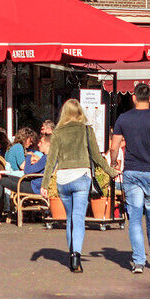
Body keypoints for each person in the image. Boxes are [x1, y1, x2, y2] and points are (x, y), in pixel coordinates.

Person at [42, 99, 115, 274]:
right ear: (79, 112)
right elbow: (96, 156)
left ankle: (71, 254)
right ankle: (76, 255)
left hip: (63, 178)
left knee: (70, 219)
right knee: (79, 218)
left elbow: (51, 160)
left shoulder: (58, 132)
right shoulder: (86, 129)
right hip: (82, 177)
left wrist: (45, 184)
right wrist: (111, 171)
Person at [110, 85, 150, 274]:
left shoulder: (124, 118)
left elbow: (114, 146)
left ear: (133, 97)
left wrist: (114, 162)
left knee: (135, 219)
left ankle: (138, 261)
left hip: (131, 172)